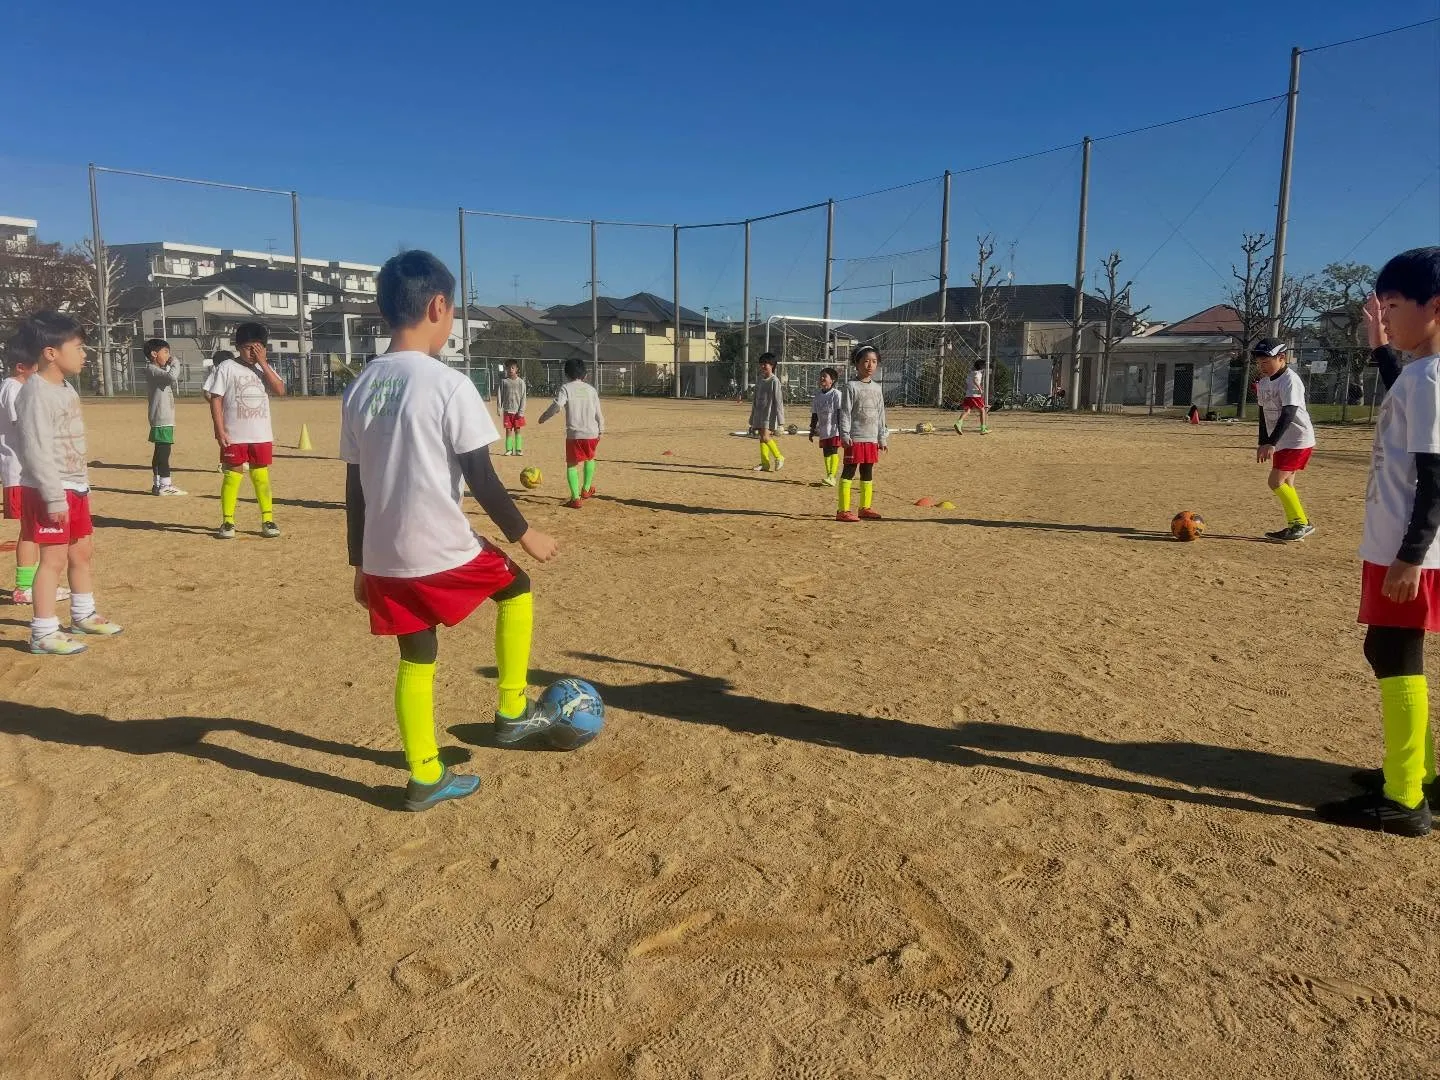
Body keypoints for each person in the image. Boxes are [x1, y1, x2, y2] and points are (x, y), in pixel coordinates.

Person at [341, 250, 560, 811]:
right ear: (439, 306)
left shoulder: (361, 387)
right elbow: (480, 474)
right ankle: (512, 711)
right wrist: (525, 534)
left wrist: (360, 565)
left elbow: (355, 487)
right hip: (442, 548)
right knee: (517, 590)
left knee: (416, 656)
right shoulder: (447, 384)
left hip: (385, 557)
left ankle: (425, 774)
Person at [1316, 248, 1440, 836]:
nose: (1384, 315)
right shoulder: (1422, 373)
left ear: (1434, 308)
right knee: (1388, 650)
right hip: (1405, 545)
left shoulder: (1433, 378)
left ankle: (1404, 797)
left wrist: (1411, 555)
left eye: (1393, 305)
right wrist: (1377, 345)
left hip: (1409, 548)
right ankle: (1417, 774)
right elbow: (1404, 391)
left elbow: (1438, 478)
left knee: (1394, 654)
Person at [12, 311, 122, 654]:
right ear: (51, 352)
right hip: (49, 491)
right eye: (78, 346)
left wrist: (80, 487)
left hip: (74, 486)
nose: (84, 353)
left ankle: (82, 614)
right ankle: (43, 632)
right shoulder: (34, 393)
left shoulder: (66, 389)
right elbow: (35, 449)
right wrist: (54, 497)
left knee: (81, 552)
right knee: (53, 560)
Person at [204, 324, 286, 539]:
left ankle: (267, 519)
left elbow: (279, 390)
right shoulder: (227, 367)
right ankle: (228, 521)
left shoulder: (263, 368)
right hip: (235, 434)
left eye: (258, 348)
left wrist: (263, 363)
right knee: (233, 475)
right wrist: (219, 429)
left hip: (260, 434)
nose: (253, 353)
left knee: (261, 476)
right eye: (249, 348)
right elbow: (216, 398)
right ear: (238, 347)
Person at [1253, 337, 1315, 542]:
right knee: (1287, 483)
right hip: (1281, 441)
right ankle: (1297, 523)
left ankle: (1300, 523)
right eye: (1260, 363)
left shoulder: (1290, 380)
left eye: (1266, 362)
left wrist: (1271, 442)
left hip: (1297, 439)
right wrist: (1263, 441)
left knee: (1275, 482)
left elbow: (1288, 412)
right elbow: (1262, 413)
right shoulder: (1263, 383)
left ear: (1282, 358)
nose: (1262, 367)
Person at [537, 358, 604, 509]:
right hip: (592, 433)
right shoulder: (591, 390)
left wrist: (544, 417)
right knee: (590, 458)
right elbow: (598, 412)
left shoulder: (566, 388)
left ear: (566, 374)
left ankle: (575, 498)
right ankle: (586, 490)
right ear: (585, 375)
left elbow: (557, 405)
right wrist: (601, 428)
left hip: (575, 434)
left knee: (572, 465)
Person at [836, 345, 887, 522]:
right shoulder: (851, 386)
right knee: (849, 471)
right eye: (865, 361)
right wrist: (844, 434)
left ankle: (865, 508)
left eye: (874, 361)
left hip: (871, 438)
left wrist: (882, 437)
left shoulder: (878, 388)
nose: (870, 365)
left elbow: (881, 414)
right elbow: (845, 412)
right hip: (854, 437)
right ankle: (843, 510)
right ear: (857, 363)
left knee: (867, 471)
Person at [144, 338, 186, 496]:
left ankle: (157, 484)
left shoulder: (156, 370)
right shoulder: (152, 369)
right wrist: (176, 363)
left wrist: (170, 364)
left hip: (163, 417)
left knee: (160, 451)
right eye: (166, 352)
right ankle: (165, 485)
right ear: (154, 354)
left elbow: (168, 375)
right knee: (163, 451)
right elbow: (171, 377)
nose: (169, 355)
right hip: (162, 418)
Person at [749, 352, 785, 472]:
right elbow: (755, 399)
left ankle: (779, 456)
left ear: (772, 365)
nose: (763, 366)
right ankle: (765, 463)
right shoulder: (759, 380)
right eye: (762, 364)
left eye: (766, 364)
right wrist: (752, 417)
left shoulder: (775, 381)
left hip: (769, 414)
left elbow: (778, 401)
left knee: (765, 436)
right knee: (762, 437)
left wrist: (781, 422)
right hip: (759, 413)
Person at [808, 366, 842, 487]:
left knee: (833, 451)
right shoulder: (817, 396)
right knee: (826, 452)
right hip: (824, 430)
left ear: (831, 380)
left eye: (825, 376)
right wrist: (812, 429)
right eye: (821, 376)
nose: (822, 378)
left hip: (835, 429)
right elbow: (814, 414)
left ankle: (832, 476)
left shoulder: (836, 394)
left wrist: (842, 430)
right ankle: (829, 475)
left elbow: (840, 412)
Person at [498, 359, 527, 456]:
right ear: (506, 369)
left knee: (518, 430)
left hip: (518, 412)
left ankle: (518, 449)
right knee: (508, 430)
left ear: (516, 369)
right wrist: (499, 408)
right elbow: (500, 395)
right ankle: (509, 449)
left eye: (512, 367)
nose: (510, 369)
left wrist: (521, 411)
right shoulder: (504, 382)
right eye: (508, 368)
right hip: (507, 411)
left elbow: (523, 397)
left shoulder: (521, 382)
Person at [955, 360, 990, 434]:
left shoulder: (970, 373)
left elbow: (967, 383)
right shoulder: (978, 373)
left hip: (968, 395)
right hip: (975, 395)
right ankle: (983, 429)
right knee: (982, 410)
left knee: (967, 411)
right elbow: (975, 380)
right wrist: (980, 388)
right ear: (981, 367)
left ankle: (959, 423)